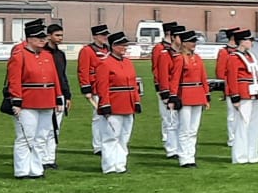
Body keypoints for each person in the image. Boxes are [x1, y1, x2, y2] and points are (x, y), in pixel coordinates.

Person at [6, 20, 62, 179]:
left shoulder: (48, 56)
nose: (42, 40)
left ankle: (37, 169)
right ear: (29, 39)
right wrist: (16, 100)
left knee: (42, 137)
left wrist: (58, 97)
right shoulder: (20, 55)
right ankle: (22, 170)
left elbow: (54, 78)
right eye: (38, 38)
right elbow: (14, 80)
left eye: (43, 37)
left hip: (47, 100)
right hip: (28, 102)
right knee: (25, 137)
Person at [92, 32, 142, 174]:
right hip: (114, 104)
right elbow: (102, 86)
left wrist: (136, 101)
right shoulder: (104, 63)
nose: (124, 47)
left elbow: (133, 83)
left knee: (124, 137)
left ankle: (120, 165)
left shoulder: (128, 62)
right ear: (113, 46)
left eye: (125, 45)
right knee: (111, 137)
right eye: (121, 45)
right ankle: (109, 166)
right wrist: (105, 104)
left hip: (128, 103)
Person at [219, 28, 258, 164]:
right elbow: (231, 78)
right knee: (242, 125)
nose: (251, 42)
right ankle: (239, 156)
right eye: (249, 40)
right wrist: (235, 96)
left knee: (254, 125)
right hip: (243, 94)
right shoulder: (233, 57)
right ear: (242, 42)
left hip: (254, 93)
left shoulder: (250, 56)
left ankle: (252, 154)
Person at [170, 30, 210, 167]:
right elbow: (175, 79)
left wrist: (206, 96)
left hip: (197, 95)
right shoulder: (179, 58)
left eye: (195, 42)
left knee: (193, 130)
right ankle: (184, 157)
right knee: (184, 129)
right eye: (191, 42)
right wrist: (173, 96)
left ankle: (191, 156)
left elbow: (203, 78)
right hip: (185, 95)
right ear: (185, 43)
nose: (194, 44)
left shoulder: (197, 58)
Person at [76, 25, 113, 155]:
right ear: (95, 36)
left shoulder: (108, 49)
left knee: (110, 117)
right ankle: (98, 146)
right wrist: (86, 89)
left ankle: (108, 142)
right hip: (96, 88)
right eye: (102, 35)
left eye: (106, 35)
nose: (105, 37)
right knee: (98, 117)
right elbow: (83, 70)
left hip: (110, 88)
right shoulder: (87, 50)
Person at [151, 22, 185, 160]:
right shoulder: (160, 49)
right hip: (166, 88)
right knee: (169, 118)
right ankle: (170, 145)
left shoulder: (179, 51)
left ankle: (175, 144)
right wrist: (162, 90)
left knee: (176, 119)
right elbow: (157, 70)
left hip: (178, 89)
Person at [42, 23, 70, 169]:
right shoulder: (42, 53)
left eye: (61, 35)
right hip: (46, 93)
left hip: (60, 95)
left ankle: (50, 158)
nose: (60, 38)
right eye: (57, 35)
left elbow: (62, 76)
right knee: (44, 127)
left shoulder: (60, 55)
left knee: (55, 128)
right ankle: (41, 157)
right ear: (49, 36)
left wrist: (68, 95)